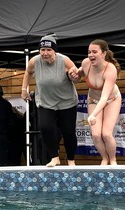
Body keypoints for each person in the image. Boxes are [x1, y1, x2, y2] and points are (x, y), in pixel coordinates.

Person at [21, 33, 79, 167]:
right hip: (45, 101)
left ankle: (71, 159)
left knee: (68, 132)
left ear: (54, 50)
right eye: (42, 50)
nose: (45, 53)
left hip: (67, 102)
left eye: (48, 50)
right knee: (45, 128)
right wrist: (24, 89)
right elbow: (28, 72)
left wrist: (73, 75)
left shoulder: (64, 60)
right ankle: (54, 157)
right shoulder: (34, 61)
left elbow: (77, 78)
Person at [68, 39, 122, 165]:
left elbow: (104, 97)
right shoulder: (86, 63)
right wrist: (73, 74)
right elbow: (77, 76)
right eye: (89, 52)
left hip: (111, 100)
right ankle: (104, 158)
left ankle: (113, 160)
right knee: (96, 135)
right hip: (93, 99)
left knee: (106, 134)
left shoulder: (110, 70)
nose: (91, 55)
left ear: (103, 54)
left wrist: (93, 115)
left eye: (94, 52)